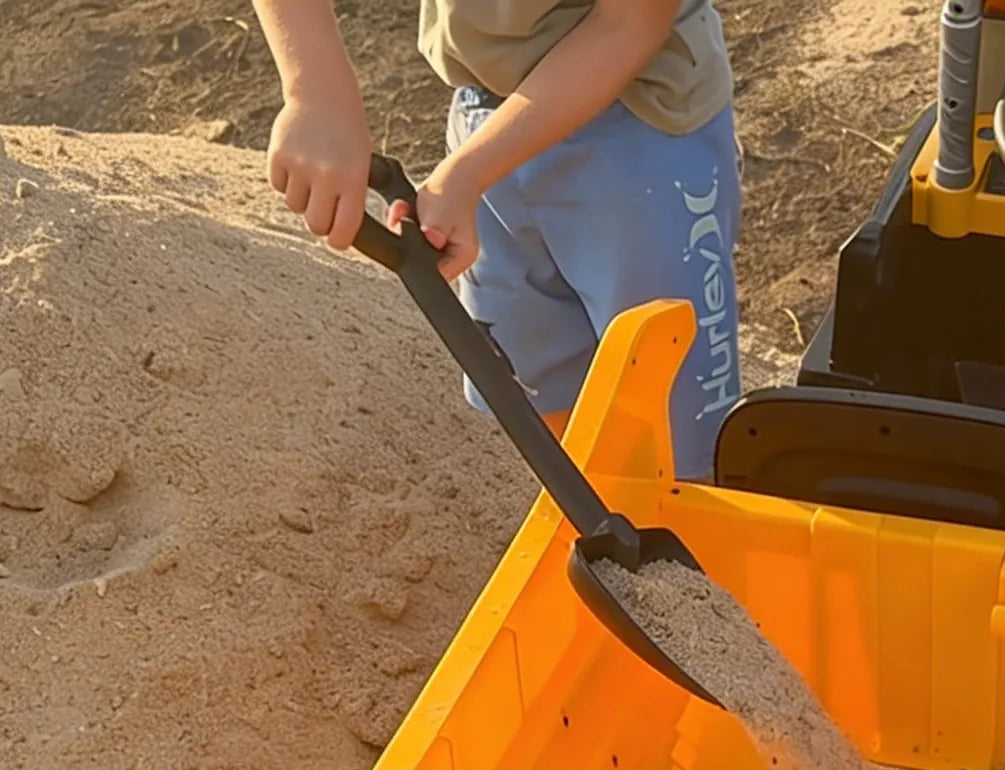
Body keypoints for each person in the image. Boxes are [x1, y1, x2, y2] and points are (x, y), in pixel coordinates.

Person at [251, 0, 742, 478]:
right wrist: (314, 92)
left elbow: (628, 24)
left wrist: (469, 174)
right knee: (538, 395)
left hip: (640, 120)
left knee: (672, 431)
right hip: (484, 107)